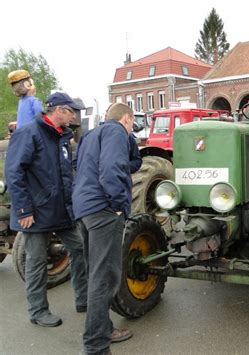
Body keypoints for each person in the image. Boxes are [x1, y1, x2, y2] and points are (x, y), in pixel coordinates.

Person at [5, 92, 88, 327]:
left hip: (61, 210)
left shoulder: (62, 136)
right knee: (36, 261)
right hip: (36, 212)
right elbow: (14, 172)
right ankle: (38, 311)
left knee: (79, 249)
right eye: (71, 111)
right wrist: (23, 210)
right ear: (59, 110)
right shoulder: (29, 133)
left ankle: (83, 299)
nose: (74, 116)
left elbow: (64, 174)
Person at [72, 103, 134, 355]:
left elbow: (79, 165)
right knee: (104, 278)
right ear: (127, 118)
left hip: (83, 209)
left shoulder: (90, 134)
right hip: (103, 211)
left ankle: (105, 329)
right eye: (131, 123)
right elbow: (110, 170)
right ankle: (96, 346)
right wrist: (118, 204)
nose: (131, 129)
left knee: (93, 271)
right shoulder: (117, 132)